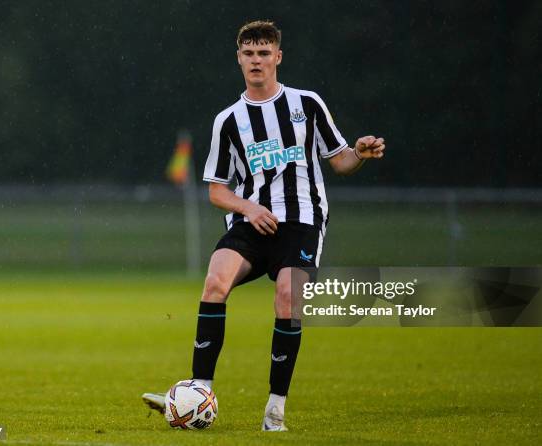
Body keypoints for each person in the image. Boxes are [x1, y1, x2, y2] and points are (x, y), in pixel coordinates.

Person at [143, 20, 385, 431]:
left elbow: (340, 159)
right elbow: (217, 190)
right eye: (249, 53)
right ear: (239, 58)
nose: (257, 60)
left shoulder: (307, 104)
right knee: (214, 283)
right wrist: (249, 209)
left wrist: (359, 152)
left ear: (277, 57)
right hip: (251, 222)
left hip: (302, 222)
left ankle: (275, 410)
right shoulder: (229, 121)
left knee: (288, 298)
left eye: (264, 52)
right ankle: (197, 393)